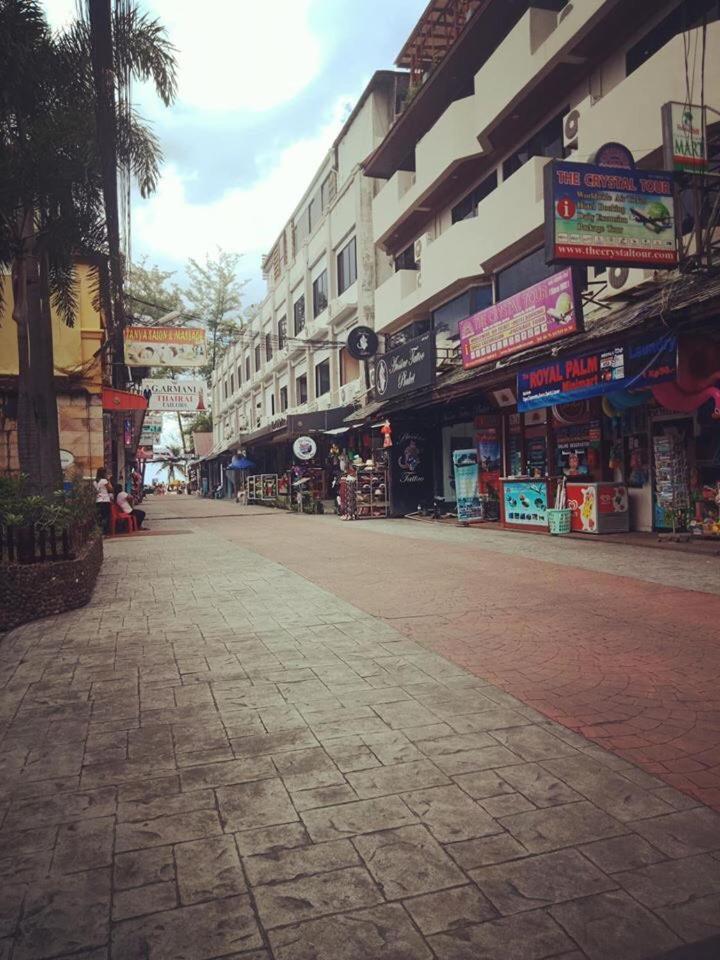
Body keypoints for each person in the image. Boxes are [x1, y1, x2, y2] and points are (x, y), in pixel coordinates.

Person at [94, 467, 113, 534]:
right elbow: (111, 489)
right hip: (105, 500)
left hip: (98, 500)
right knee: (106, 517)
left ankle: (99, 531)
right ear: (104, 473)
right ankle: (104, 531)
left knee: (100, 517)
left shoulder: (95, 481)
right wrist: (109, 480)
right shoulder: (104, 481)